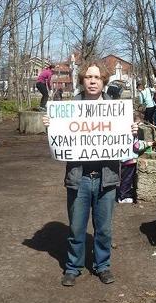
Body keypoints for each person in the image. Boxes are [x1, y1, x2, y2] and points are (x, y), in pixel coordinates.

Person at [43, 62, 138, 287]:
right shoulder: (68, 109)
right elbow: (61, 138)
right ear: (82, 80)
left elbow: (130, 146)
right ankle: (73, 267)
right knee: (76, 227)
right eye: (88, 77)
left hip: (107, 178)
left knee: (103, 228)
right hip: (79, 179)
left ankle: (102, 266)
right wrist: (51, 125)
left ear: (104, 81)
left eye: (97, 77)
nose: (93, 81)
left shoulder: (117, 110)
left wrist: (132, 130)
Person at [117, 112, 152, 204]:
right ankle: (123, 196)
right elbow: (136, 146)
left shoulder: (124, 132)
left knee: (125, 178)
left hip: (125, 158)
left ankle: (124, 193)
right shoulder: (132, 134)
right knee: (127, 179)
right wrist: (146, 144)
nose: (139, 127)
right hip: (129, 159)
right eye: (138, 124)